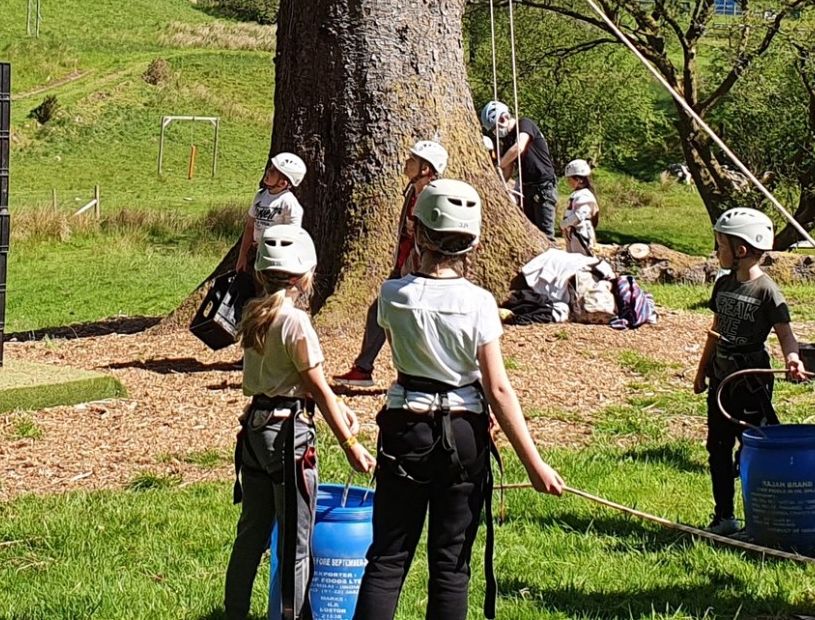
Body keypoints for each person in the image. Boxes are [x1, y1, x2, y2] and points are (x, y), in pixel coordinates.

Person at [352, 179, 566, 620]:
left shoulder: (391, 295)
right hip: (464, 434)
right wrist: (534, 463)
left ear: (419, 233)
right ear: (475, 243)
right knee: (451, 564)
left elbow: (402, 328)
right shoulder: (480, 303)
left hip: (405, 427)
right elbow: (498, 388)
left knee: (388, 558)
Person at [224, 224, 374, 620]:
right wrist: (350, 445)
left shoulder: (254, 313)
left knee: (251, 533)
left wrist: (337, 405)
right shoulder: (295, 322)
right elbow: (318, 388)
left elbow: (297, 380)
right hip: (288, 437)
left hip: (255, 429)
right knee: (296, 545)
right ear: (304, 277)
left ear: (262, 273)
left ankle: (234, 612)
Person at [693, 207, 806, 537]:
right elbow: (715, 330)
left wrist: (793, 358)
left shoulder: (767, 291)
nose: (717, 251)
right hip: (721, 377)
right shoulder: (723, 284)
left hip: (751, 380)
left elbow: (785, 333)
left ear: (740, 249)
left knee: (753, 447)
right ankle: (724, 516)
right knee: (717, 446)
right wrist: (702, 370)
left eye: (721, 245)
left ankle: (761, 517)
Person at [333, 139, 447, 389]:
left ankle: (421, 374)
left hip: (422, 271)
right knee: (380, 311)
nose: (406, 162)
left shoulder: (433, 197)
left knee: (408, 320)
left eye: (413, 160)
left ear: (426, 168)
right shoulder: (413, 192)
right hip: (406, 266)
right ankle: (366, 368)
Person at [479, 100, 557, 238]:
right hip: (527, 187)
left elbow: (519, 147)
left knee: (545, 234)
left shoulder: (524, 124)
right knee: (531, 232)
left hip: (543, 186)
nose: (496, 133)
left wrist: (500, 164)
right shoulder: (507, 140)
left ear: (503, 119)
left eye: (495, 128)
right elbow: (507, 169)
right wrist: (499, 185)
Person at [234, 153, 307, 275]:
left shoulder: (288, 202)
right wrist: (242, 254)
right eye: (270, 167)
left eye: (273, 171)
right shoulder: (260, 195)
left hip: (275, 257)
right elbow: (250, 226)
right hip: (257, 252)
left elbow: (292, 235)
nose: (268, 171)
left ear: (282, 183)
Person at [560, 159, 599, 255]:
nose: (568, 181)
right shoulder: (577, 193)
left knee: (582, 259)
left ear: (578, 179)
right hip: (574, 232)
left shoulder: (585, 195)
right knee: (572, 258)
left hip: (581, 232)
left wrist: (564, 224)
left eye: (570, 179)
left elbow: (580, 215)